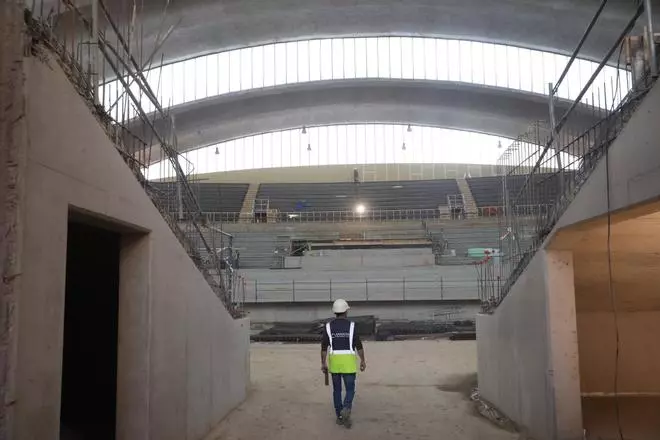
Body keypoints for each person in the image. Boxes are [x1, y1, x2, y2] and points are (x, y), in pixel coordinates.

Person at [321, 299, 367, 428]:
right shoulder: (352, 326)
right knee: (350, 389)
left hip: (335, 362)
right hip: (348, 362)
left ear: (335, 312)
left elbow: (324, 347)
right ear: (346, 311)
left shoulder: (328, 326)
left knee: (336, 390)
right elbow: (358, 345)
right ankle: (346, 408)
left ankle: (340, 417)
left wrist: (323, 363)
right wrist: (363, 360)